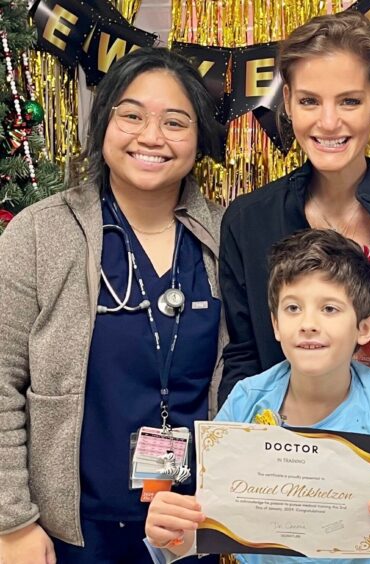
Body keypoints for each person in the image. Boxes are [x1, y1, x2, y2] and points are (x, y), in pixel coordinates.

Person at [0, 48, 226, 563]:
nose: (151, 136)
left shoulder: (224, 236)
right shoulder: (40, 233)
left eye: (175, 121)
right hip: (70, 533)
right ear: (104, 123)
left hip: (189, 526)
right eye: (131, 115)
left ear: (199, 139)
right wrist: (12, 521)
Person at [218, 11, 370, 448]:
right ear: (287, 102)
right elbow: (244, 357)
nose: (328, 123)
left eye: (349, 101)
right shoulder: (247, 221)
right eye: (310, 101)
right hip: (274, 472)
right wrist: (242, 456)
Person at [144, 228, 370, 563]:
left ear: (365, 327)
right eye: (293, 308)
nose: (308, 323)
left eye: (329, 309)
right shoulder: (246, 401)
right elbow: (199, 536)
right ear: (276, 324)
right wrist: (168, 532)